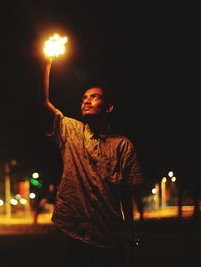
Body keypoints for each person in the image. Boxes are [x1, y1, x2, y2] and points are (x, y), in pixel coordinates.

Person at [38, 58, 144, 267]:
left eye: (94, 97)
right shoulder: (70, 130)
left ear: (109, 107)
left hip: (108, 235)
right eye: (84, 98)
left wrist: (130, 240)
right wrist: (46, 64)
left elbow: (127, 196)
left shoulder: (123, 146)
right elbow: (43, 103)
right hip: (73, 230)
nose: (86, 101)